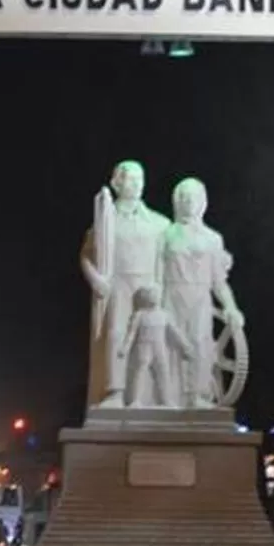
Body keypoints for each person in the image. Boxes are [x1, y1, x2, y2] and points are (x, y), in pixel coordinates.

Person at [80, 161, 172, 408]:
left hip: (149, 287)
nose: (136, 184)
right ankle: (115, 392)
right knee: (116, 335)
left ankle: (150, 396)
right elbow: (86, 255)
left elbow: (170, 257)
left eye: (140, 179)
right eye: (130, 179)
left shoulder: (160, 224)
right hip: (118, 285)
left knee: (150, 342)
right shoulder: (105, 221)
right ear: (116, 182)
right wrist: (96, 279)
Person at [160, 177, 244, 408]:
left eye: (193, 197)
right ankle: (170, 397)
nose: (188, 201)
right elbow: (156, 273)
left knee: (199, 343)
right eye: (184, 196)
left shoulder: (213, 239)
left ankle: (197, 396)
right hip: (172, 296)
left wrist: (230, 307)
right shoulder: (166, 234)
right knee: (172, 346)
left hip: (199, 298)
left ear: (202, 201)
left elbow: (218, 281)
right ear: (177, 201)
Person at [118, 284, 193, 407]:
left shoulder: (164, 315)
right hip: (144, 346)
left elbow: (175, 332)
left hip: (159, 347)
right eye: (151, 295)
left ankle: (166, 400)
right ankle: (135, 400)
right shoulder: (139, 315)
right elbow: (131, 334)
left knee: (163, 372)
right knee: (140, 371)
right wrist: (125, 348)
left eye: (156, 295)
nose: (154, 297)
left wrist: (185, 345)